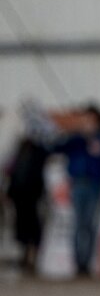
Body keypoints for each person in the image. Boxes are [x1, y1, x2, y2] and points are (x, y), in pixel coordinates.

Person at [53, 104, 100, 276]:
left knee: (90, 223)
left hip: (94, 184)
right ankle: (77, 262)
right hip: (77, 184)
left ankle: (87, 261)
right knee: (78, 223)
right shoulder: (76, 140)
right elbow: (56, 148)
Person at [4, 100, 58, 275]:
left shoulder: (40, 150)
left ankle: (33, 253)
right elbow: (12, 171)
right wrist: (9, 191)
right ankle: (24, 253)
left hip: (33, 193)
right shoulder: (20, 149)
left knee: (33, 222)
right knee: (20, 223)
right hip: (19, 193)